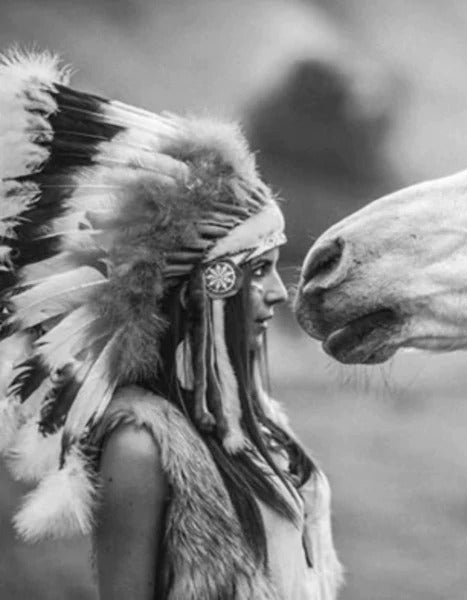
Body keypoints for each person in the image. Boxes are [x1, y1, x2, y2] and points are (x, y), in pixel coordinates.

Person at [0, 51, 343, 599]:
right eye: (258, 270)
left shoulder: (252, 417)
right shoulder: (141, 445)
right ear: (203, 289)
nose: (280, 293)